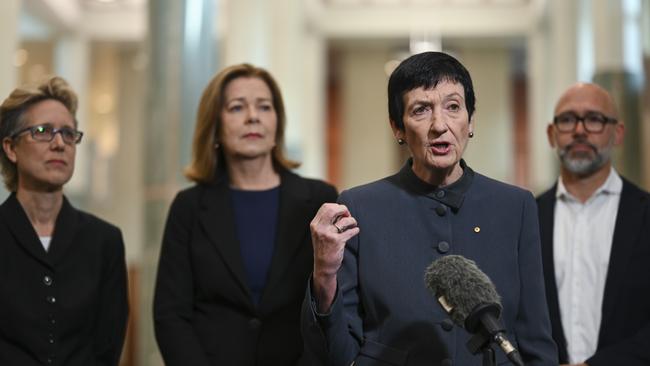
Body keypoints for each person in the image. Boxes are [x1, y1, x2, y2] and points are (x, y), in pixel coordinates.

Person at [302, 51, 558, 365]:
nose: (440, 125)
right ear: (397, 127)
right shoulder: (359, 207)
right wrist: (324, 274)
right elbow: (336, 353)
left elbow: (535, 338)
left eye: (453, 107)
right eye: (421, 110)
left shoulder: (515, 206)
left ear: (471, 119)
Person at [153, 63, 337, 366]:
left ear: (277, 122)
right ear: (215, 126)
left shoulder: (320, 199)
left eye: (264, 107)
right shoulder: (189, 207)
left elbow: (335, 305)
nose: (253, 116)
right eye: (237, 107)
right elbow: (171, 315)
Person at [0, 76, 128, 366]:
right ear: (11, 148)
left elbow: (107, 346)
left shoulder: (104, 241)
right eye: (43, 131)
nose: (59, 144)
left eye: (69, 134)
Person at [537, 82, 650, 366]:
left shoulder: (646, 214)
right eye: (567, 120)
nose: (579, 130)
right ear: (552, 134)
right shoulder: (526, 217)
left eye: (594, 119)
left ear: (618, 133)